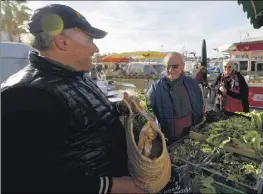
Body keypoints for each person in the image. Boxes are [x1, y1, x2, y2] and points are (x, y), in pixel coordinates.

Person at [1, 4, 146, 193]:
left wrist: (120, 107)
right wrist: (114, 186)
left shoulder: (74, 75)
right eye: (89, 40)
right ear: (62, 42)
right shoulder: (25, 95)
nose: (95, 48)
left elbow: (79, 114)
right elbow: (23, 183)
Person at [147, 52, 204, 145]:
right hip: (169, 140)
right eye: (168, 66)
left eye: (175, 66)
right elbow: (147, 108)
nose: (171, 70)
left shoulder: (192, 83)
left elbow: (199, 104)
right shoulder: (156, 87)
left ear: (183, 66)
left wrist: (199, 124)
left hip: (192, 136)